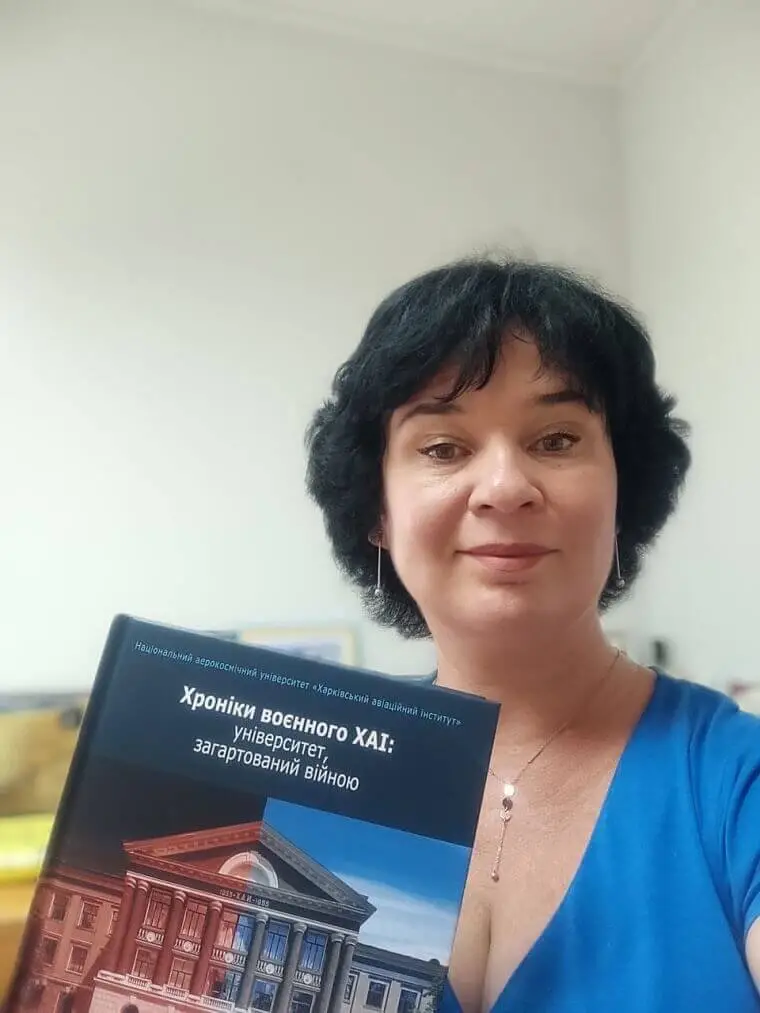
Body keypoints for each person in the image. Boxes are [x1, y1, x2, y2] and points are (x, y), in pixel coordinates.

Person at [304, 257, 760, 1012]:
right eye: (443, 448)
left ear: (623, 492)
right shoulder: (306, 770)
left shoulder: (735, 779)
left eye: (555, 439)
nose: (505, 488)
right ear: (376, 511)